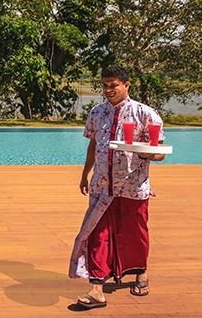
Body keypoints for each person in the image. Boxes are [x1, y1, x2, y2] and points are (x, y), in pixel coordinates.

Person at [69, 65, 166, 309]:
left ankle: (141, 273)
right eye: (105, 85)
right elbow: (92, 146)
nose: (108, 89)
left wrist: (145, 155)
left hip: (133, 186)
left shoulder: (145, 114)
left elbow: (159, 152)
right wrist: (85, 173)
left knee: (136, 233)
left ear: (126, 85)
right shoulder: (96, 113)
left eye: (113, 85)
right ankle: (97, 288)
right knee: (97, 234)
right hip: (102, 185)